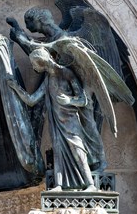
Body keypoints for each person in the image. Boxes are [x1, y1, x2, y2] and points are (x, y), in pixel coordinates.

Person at [8, 47, 101, 191]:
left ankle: (90, 185)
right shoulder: (47, 80)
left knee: (78, 150)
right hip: (57, 123)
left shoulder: (66, 73)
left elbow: (83, 100)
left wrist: (69, 100)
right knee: (58, 151)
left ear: (41, 61)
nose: (33, 67)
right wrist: (16, 88)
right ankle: (59, 185)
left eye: (34, 64)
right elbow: (32, 100)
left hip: (71, 122)